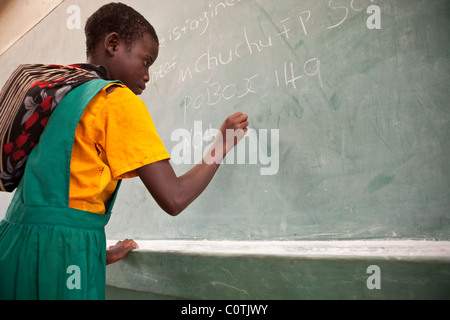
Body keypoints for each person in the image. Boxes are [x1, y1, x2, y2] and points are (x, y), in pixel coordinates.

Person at [0, 2, 248, 300]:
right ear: (113, 44)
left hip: (14, 246)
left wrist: (94, 253)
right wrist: (221, 145)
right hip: (65, 255)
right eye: (146, 62)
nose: (147, 76)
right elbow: (174, 197)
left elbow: (58, 195)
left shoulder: (61, 96)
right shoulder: (116, 100)